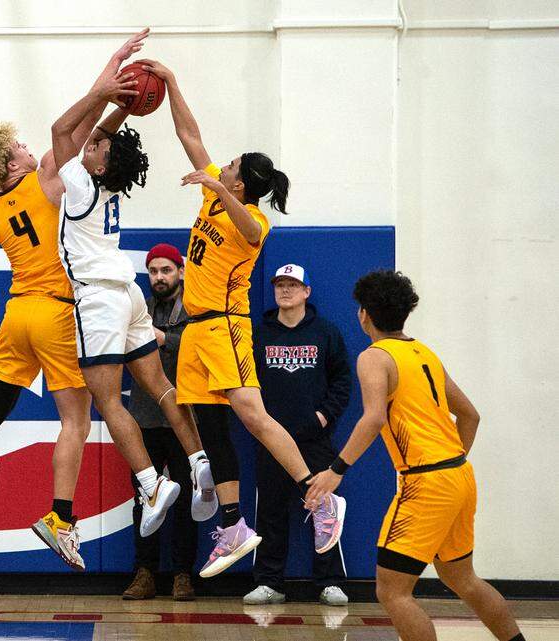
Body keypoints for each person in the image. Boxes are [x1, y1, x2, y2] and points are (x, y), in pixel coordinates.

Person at [0, 32, 159, 572]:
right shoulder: (48, 180)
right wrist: (111, 82)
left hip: (16, 316)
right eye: (22, 147)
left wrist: (109, 83)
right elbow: (82, 131)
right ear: (13, 161)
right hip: (57, 310)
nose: (32, 149)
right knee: (75, 422)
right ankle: (60, 518)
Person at [137, 58, 345, 578]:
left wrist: (220, 190)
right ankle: (232, 526)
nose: (220, 166)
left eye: (229, 167)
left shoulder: (253, 217)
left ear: (242, 183)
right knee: (212, 427)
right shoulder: (219, 192)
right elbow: (189, 133)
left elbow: (251, 233)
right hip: (196, 329)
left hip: (227, 324)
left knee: (252, 415)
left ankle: (319, 500)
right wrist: (174, 80)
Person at [50, 28, 217, 544]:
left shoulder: (79, 181)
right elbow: (98, 135)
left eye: (97, 146)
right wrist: (122, 104)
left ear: (99, 160)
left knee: (108, 401)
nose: (92, 143)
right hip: (130, 295)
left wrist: (103, 93)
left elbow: (62, 129)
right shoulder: (108, 178)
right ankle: (199, 460)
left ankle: (150, 483)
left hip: (99, 298)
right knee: (160, 386)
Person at [306, 270, 525, 641]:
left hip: (426, 481)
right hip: (459, 474)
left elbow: (373, 418)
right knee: (461, 578)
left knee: (392, 591)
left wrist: (336, 470)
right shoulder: (424, 352)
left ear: (364, 314)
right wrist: (449, 466)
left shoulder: (374, 357)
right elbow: (470, 415)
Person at [121, 243, 224, 601]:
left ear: (180, 272)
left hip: (185, 423)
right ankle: (145, 573)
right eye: (153, 271)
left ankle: (183, 574)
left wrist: (165, 340)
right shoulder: (139, 311)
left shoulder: (195, 310)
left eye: (166, 270)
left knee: (187, 501)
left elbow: (202, 348)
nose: (160, 277)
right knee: (144, 499)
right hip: (144, 422)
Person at [245, 264, 351, 607]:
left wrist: (322, 417)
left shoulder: (326, 332)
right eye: (280, 284)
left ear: (307, 291)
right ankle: (269, 582)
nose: (285, 290)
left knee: (323, 510)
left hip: (314, 441)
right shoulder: (259, 334)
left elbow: (342, 382)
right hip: (271, 441)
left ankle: (330, 581)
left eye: (293, 285)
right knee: (271, 513)